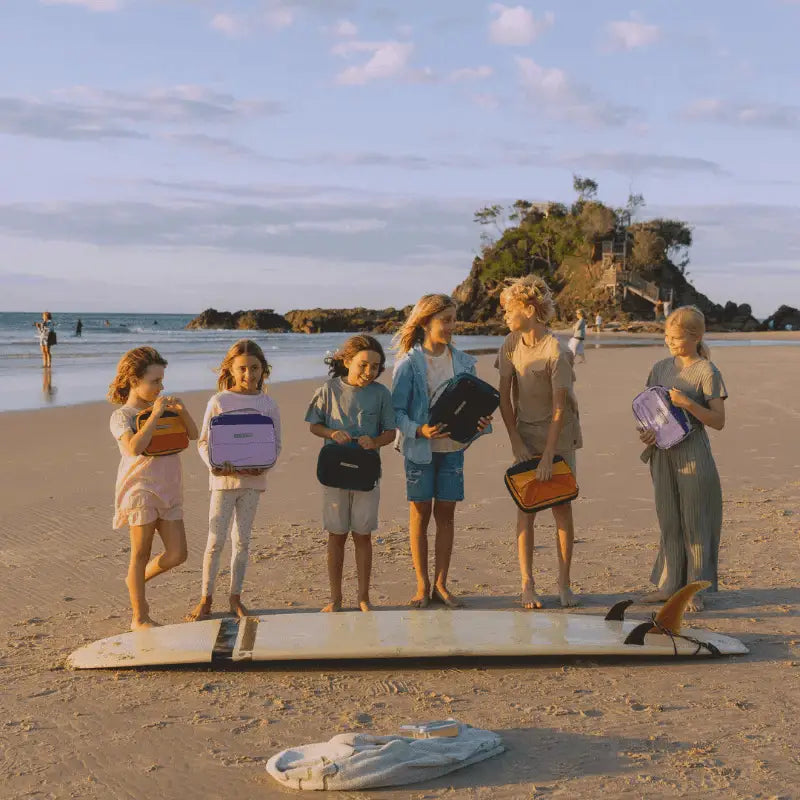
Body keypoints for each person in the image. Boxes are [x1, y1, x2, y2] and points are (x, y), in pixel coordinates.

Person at [391, 294, 492, 609]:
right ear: (425, 322)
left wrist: (481, 422)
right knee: (420, 514)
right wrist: (419, 430)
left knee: (446, 515)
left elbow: (474, 404)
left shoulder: (464, 362)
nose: (451, 326)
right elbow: (396, 411)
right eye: (445, 320)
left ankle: (441, 584)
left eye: (452, 319)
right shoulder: (408, 363)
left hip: (453, 449)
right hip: (419, 450)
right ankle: (422, 585)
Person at [496, 276, 583, 609]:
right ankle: (527, 585)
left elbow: (560, 408)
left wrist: (548, 456)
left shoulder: (556, 351)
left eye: (509, 309)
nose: (504, 315)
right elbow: (504, 398)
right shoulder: (509, 344)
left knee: (562, 507)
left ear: (529, 310)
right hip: (525, 434)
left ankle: (564, 584)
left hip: (559, 436)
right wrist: (516, 441)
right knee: (526, 508)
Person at [638, 306, 727, 612]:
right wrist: (646, 433)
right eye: (667, 336)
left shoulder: (707, 371)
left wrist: (688, 403)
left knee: (695, 521)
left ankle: (693, 589)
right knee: (669, 520)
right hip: (661, 453)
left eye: (676, 338)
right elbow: (650, 412)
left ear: (696, 337)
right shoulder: (660, 368)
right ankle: (668, 585)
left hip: (693, 454)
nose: (670, 343)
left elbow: (718, 420)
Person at [188, 340, 282, 621]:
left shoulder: (267, 403)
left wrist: (263, 467)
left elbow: (276, 444)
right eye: (242, 369)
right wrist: (216, 466)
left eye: (254, 368)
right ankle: (206, 598)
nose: (249, 374)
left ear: (263, 369)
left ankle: (235, 597)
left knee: (242, 541)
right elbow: (204, 442)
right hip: (224, 483)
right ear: (230, 369)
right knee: (215, 541)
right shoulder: (219, 401)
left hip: (253, 483)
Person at [108, 347, 199, 630]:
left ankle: (135, 580)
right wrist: (156, 415)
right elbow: (134, 448)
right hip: (140, 490)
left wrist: (181, 412)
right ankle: (140, 616)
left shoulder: (163, 409)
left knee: (177, 554)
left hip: (169, 489)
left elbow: (194, 435)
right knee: (140, 553)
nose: (161, 387)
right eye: (155, 381)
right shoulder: (122, 416)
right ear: (134, 381)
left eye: (162, 381)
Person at [306, 335, 396, 612]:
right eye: (363, 365)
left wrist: (376, 441)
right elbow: (314, 426)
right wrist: (332, 433)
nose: (369, 372)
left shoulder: (381, 394)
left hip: (367, 472)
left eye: (375, 366)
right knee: (336, 534)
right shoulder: (328, 389)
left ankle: (363, 597)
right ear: (347, 362)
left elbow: (390, 432)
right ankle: (335, 598)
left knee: (363, 534)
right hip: (334, 471)